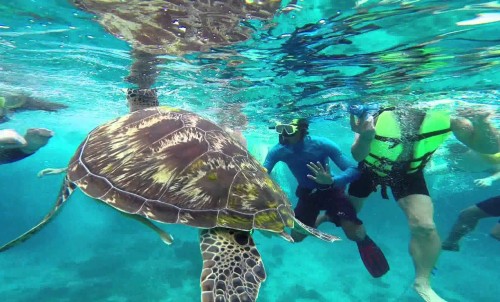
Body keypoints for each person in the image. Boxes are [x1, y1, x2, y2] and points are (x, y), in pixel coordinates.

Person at [348, 104, 499, 302]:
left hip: (409, 174)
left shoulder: (449, 112)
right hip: (370, 169)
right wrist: (366, 137)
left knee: (425, 226)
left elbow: (489, 147)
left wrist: (482, 123)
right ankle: (342, 223)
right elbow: (358, 155)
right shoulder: (373, 110)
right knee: (349, 217)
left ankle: (423, 283)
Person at [263, 118, 389, 278]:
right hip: (308, 194)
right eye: (279, 130)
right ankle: (325, 217)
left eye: (288, 130)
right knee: (296, 237)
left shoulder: (322, 144)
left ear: (301, 129)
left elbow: (355, 170)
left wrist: (332, 181)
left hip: (332, 190)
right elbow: (262, 172)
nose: (283, 135)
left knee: (355, 234)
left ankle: (329, 216)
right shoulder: (278, 150)